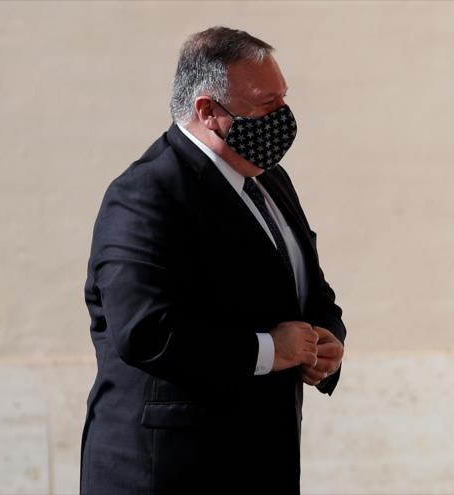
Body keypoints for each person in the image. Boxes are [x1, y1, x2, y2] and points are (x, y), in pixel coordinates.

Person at [80, 27, 346, 494]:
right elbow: (144, 331)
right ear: (207, 111)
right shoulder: (145, 194)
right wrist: (270, 350)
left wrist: (326, 338)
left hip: (260, 461)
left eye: (283, 101)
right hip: (169, 471)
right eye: (267, 105)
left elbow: (306, 286)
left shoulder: (270, 181)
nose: (282, 117)